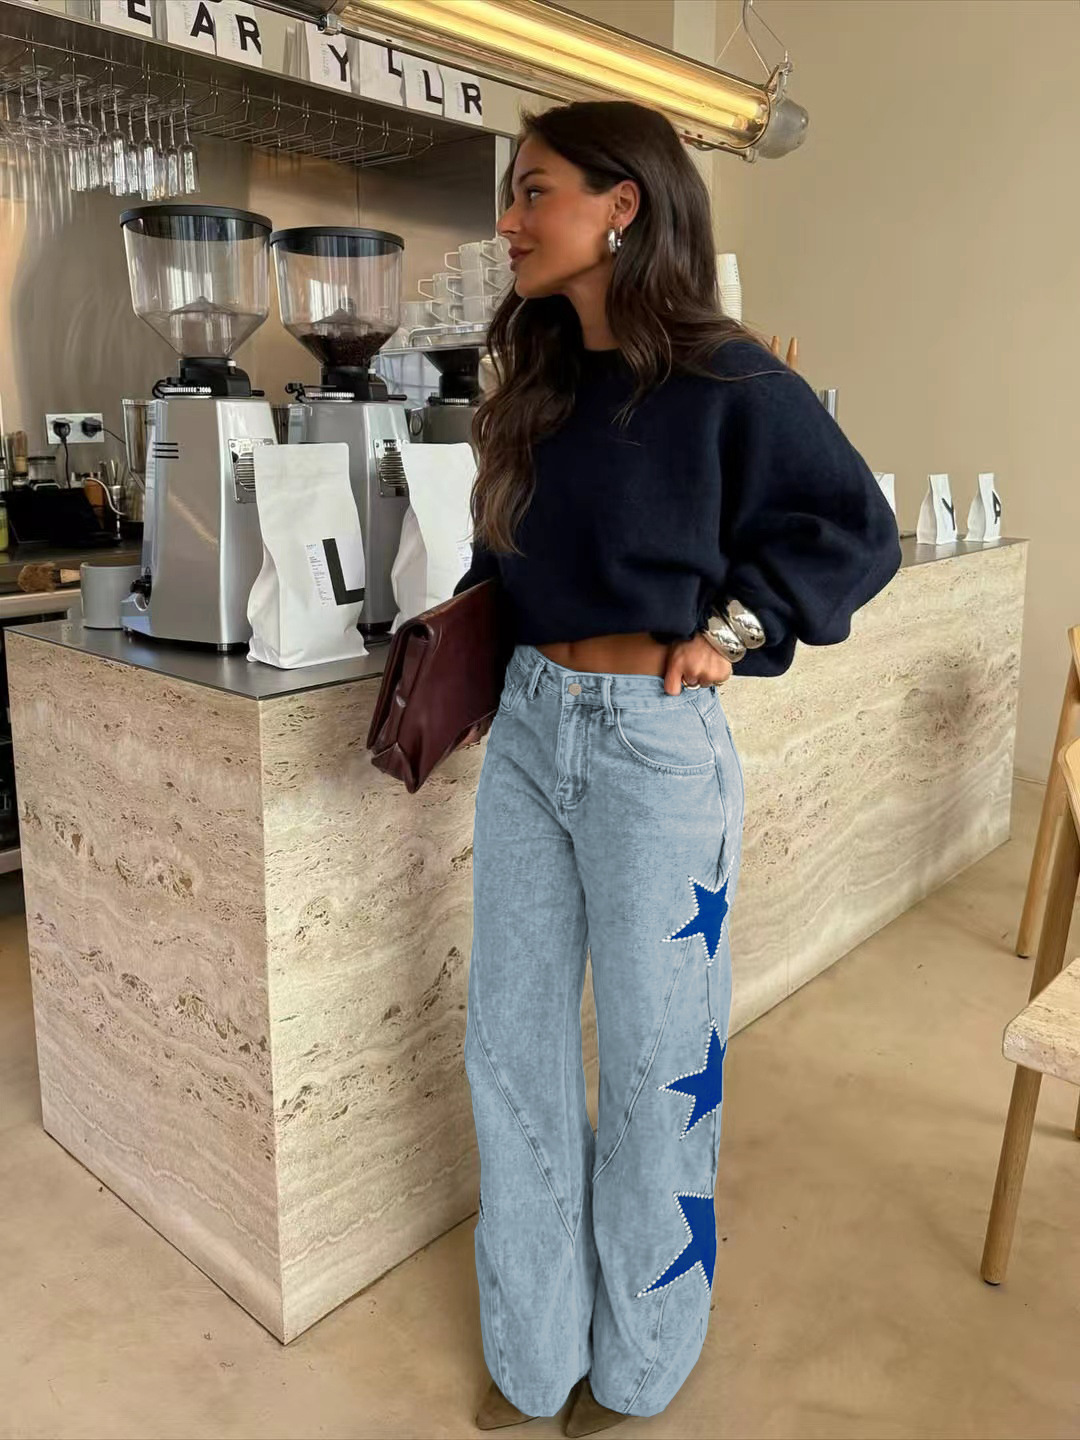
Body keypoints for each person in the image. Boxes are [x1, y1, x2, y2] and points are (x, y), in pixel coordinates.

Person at [452, 100, 901, 1436]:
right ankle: (535, 1352)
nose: (510, 220)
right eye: (511, 194)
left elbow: (856, 526)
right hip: (529, 731)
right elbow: (506, 560)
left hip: (653, 744)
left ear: (622, 205)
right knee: (513, 1053)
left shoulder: (724, 376)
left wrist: (736, 634)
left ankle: (644, 1357)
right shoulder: (537, 380)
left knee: (658, 1066)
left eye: (535, 190)